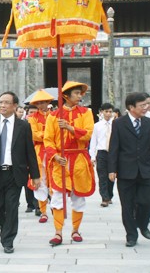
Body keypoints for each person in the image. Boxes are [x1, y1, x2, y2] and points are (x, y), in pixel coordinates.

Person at [0, 91, 40, 253]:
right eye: (0, 102)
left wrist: (35, 175)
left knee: (11, 207)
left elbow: (30, 152)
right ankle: (6, 227)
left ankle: (8, 240)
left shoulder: (23, 126)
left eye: (6, 102)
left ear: (15, 106)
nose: (2, 105)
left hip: (14, 173)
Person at [108, 92, 150, 247]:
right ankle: (131, 235)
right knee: (127, 205)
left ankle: (143, 223)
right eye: (142, 105)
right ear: (131, 107)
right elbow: (114, 147)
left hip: (146, 170)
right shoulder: (119, 123)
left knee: (148, 201)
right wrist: (112, 169)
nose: (146, 108)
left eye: (147, 104)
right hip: (126, 171)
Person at [44, 81, 95, 246]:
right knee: (58, 197)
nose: (80, 96)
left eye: (81, 94)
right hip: (61, 161)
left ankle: (75, 230)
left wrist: (70, 128)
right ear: (66, 96)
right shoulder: (53, 116)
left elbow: (88, 134)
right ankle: (58, 233)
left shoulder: (86, 113)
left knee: (78, 197)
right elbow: (48, 140)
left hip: (79, 159)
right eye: (77, 94)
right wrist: (55, 156)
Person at [27, 89, 54, 223]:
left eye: (43, 102)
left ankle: (56, 206)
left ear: (48, 102)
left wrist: (45, 135)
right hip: (38, 152)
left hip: (53, 151)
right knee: (40, 180)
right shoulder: (32, 118)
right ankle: (43, 211)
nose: (41, 105)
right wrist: (48, 135)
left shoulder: (55, 116)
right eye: (38, 103)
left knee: (54, 180)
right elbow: (34, 134)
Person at [89, 102, 115, 207]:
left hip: (113, 154)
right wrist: (92, 156)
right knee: (102, 176)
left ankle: (109, 195)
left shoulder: (116, 125)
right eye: (106, 111)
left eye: (110, 111)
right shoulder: (97, 126)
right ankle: (104, 197)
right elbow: (93, 142)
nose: (108, 114)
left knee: (112, 177)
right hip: (101, 153)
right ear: (101, 112)